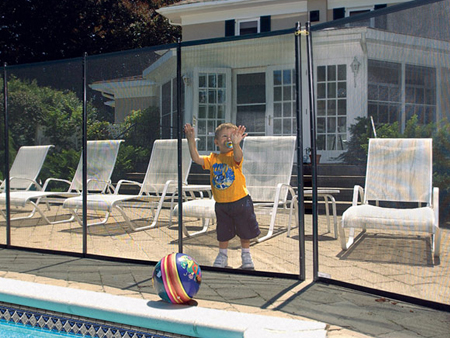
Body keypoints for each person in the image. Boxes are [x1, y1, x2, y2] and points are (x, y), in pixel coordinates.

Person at [184, 122, 260, 269]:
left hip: (241, 202)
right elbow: (196, 158)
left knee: (245, 231)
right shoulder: (213, 158)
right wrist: (190, 139)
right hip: (221, 204)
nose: (229, 138)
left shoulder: (234, 156)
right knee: (223, 232)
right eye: (225, 136)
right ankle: (223, 256)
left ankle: (246, 256)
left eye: (232, 135)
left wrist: (237, 144)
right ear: (216, 142)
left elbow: (238, 155)